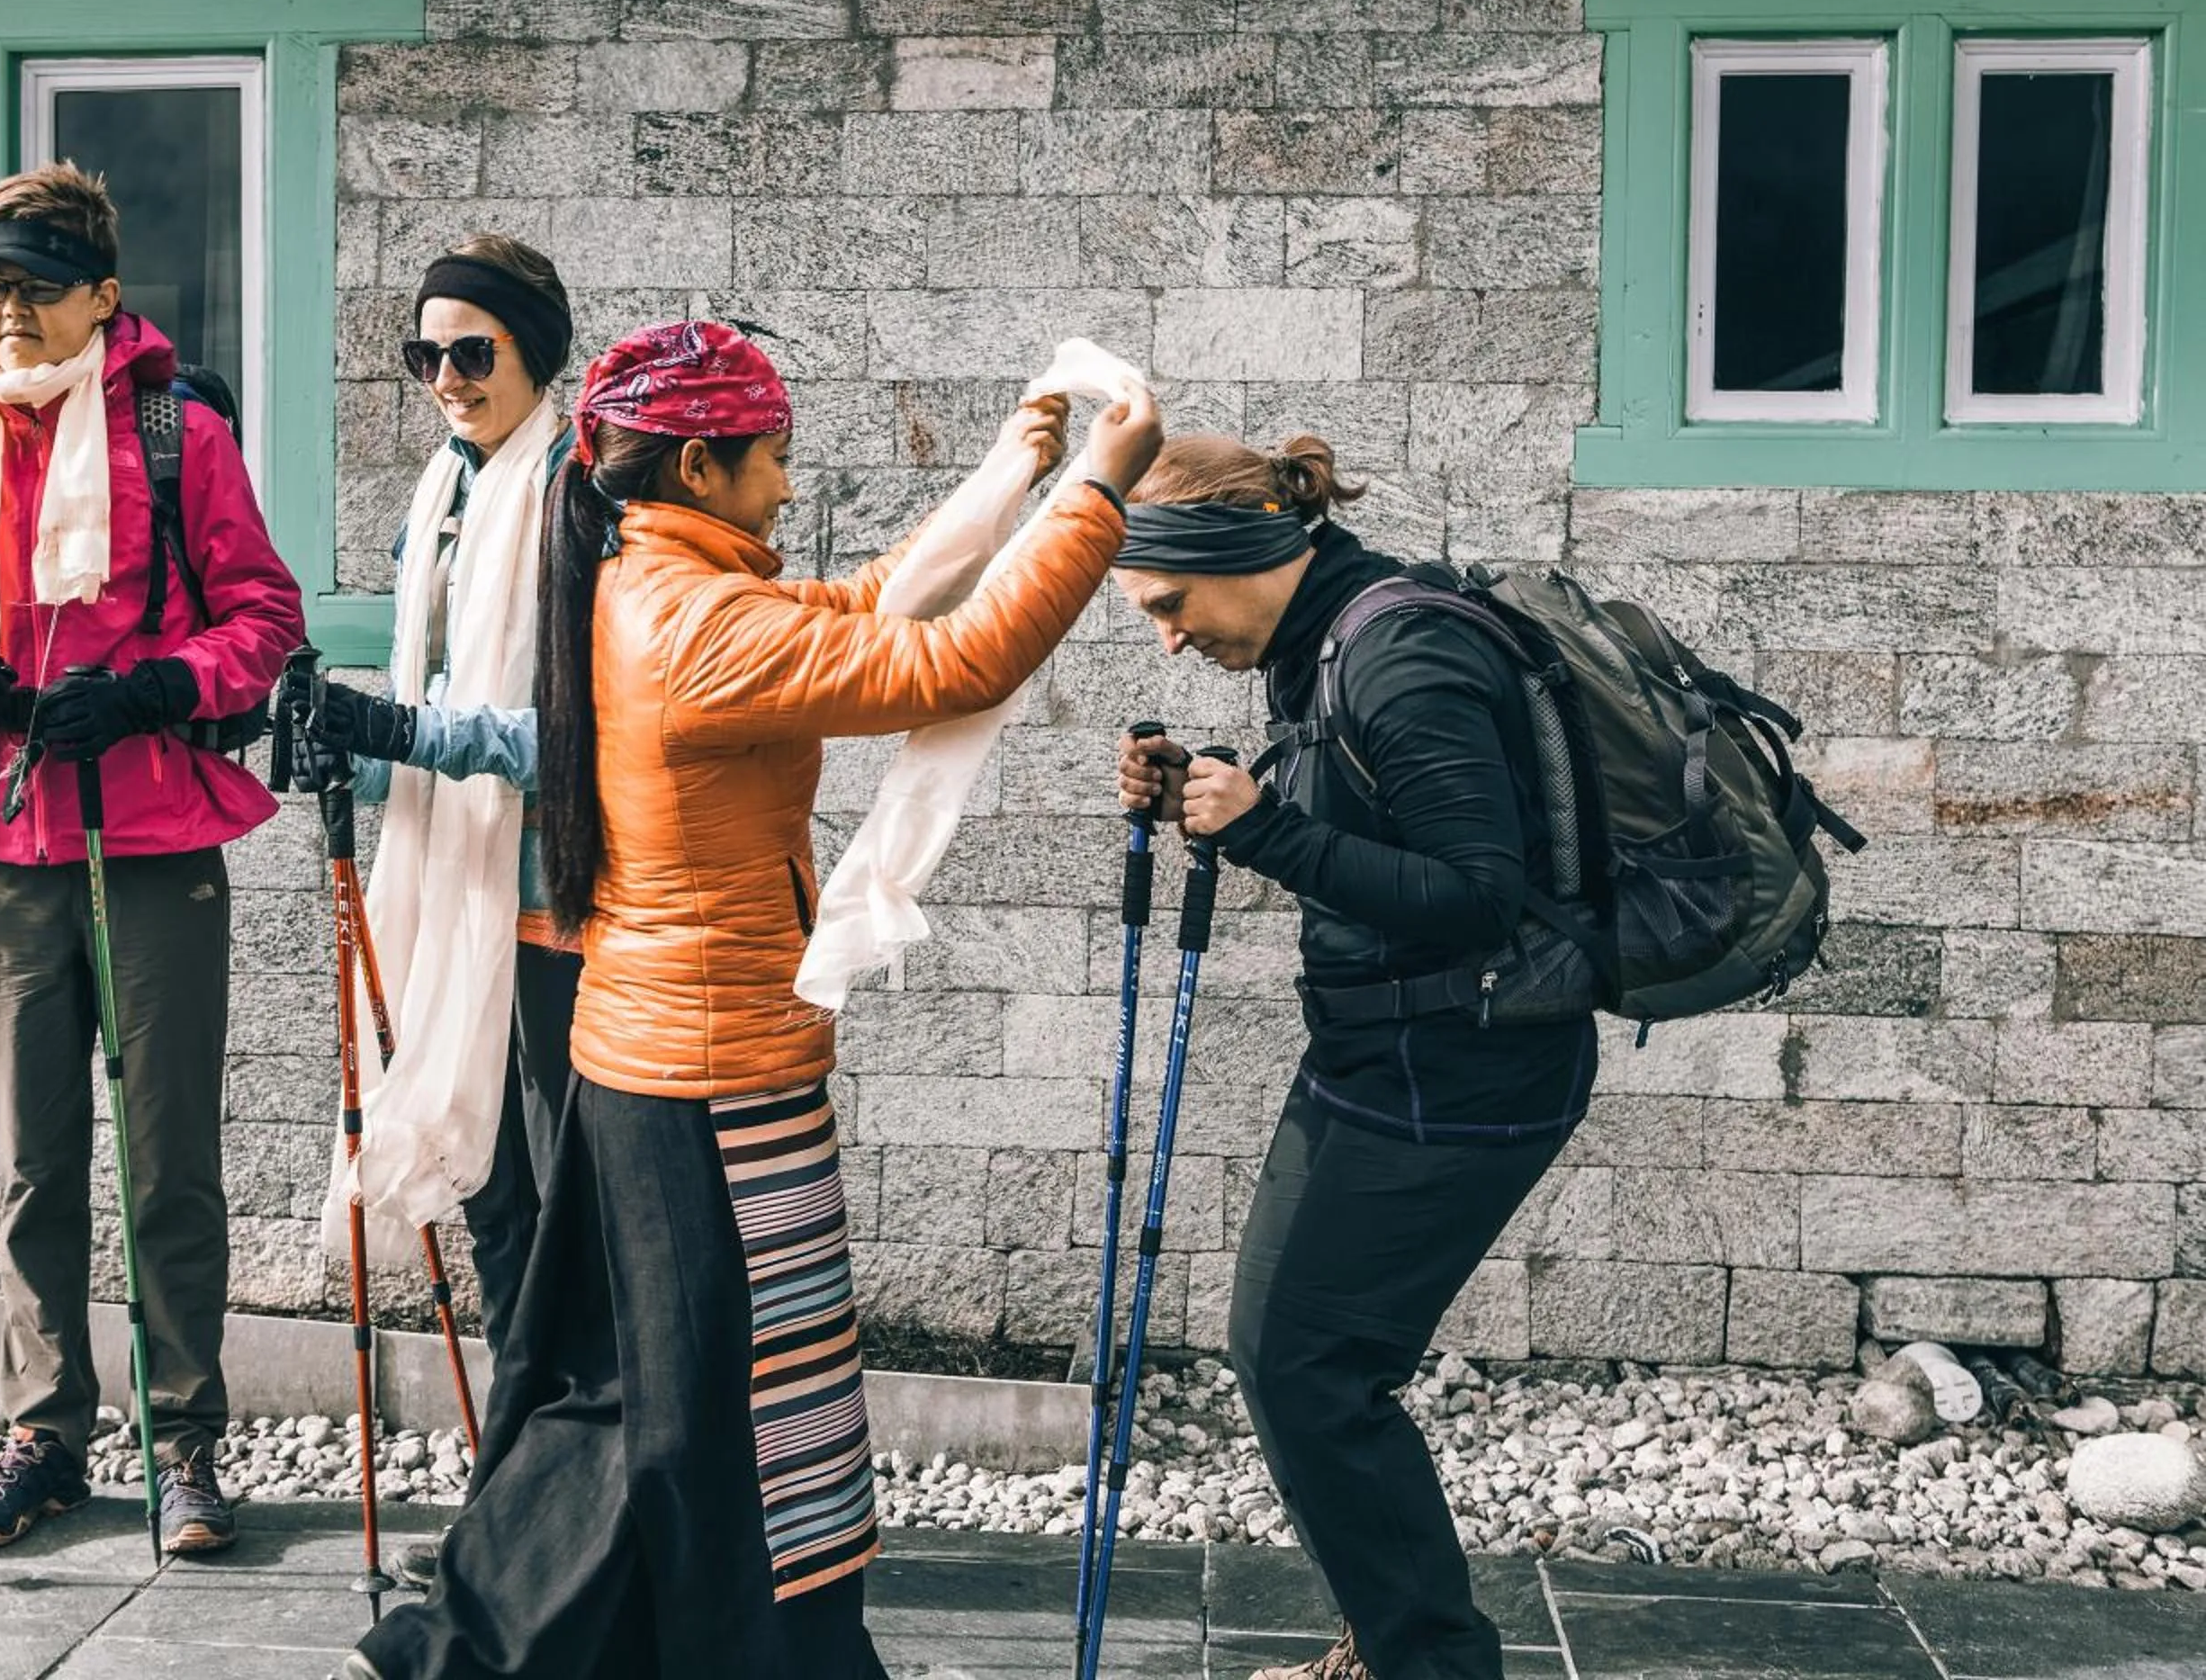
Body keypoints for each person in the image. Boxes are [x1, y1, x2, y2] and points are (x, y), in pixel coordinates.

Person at [343, 320, 1164, 1680]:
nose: (788, 486)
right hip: (714, 1082)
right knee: (754, 1417)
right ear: (702, 461)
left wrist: (1016, 472)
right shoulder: (698, 626)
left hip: (649, 1054)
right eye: (773, 459)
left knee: (624, 1388)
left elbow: (874, 601)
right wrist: (1103, 487)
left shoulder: (646, 579)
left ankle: (498, 1639)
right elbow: (953, 664)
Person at [1113, 435, 1593, 1680]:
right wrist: (1208, 797)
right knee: (1302, 1363)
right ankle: (1399, 1647)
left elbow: (1480, 895)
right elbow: (1369, 820)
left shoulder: (1402, 656)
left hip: (1461, 1074)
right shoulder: (1326, 642)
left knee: (1310, 1367)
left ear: (1246, 556)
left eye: (1170, 604)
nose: (1166, 636)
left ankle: (1423, 1663)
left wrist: (1264, 829)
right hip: (1385, 1057)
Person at [0, 161, 304, 1557]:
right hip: (11, 830)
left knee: (169, 1158)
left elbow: (264, 615)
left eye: (35, 288)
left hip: (157, 830)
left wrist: (151, 690)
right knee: (31, 1162)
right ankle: (44, 1435)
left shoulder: (176, 432)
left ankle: (187, 1446)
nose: (5, 310)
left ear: (102, 300)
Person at [288, 234, 581, 1362]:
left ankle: (569, 1476)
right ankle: (516, 1479)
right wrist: (349, 751)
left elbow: (582, 739)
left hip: (552, 905)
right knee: (494, 1195)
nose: (447, 378)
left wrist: (402, 729)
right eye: (426, 355)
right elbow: (431, 714)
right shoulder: (443, 503)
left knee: (561, 1206)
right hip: (453, 886)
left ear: (534, 353)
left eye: (473, 350)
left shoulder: (573, 503)